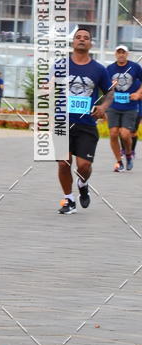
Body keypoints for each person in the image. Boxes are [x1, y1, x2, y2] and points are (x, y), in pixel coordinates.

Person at [56, 27, 112, 214]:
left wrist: (103, 107)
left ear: (90, 43)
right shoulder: (60, 65)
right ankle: (69, 199)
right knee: (64, 163)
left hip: (87, 124)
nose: (81, 40)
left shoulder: (99, 69)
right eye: (78, 37)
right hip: (62, 122)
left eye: (85, 38)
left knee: (84, 166)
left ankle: (83, 183)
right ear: (73, 42)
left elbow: (110, 92)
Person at [105, 45, 142, 172]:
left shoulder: (135, 67)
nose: (121, 55)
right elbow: (103, 87)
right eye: (118, 52)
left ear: (127, 54)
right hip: (114, 105)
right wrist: (111, 86)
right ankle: (119, 161)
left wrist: (138, 93)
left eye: (123, 52)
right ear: (115, 54)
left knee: (125, 134)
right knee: (113, 133)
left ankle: (128, 155)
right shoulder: (110, 68)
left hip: (130, 106)